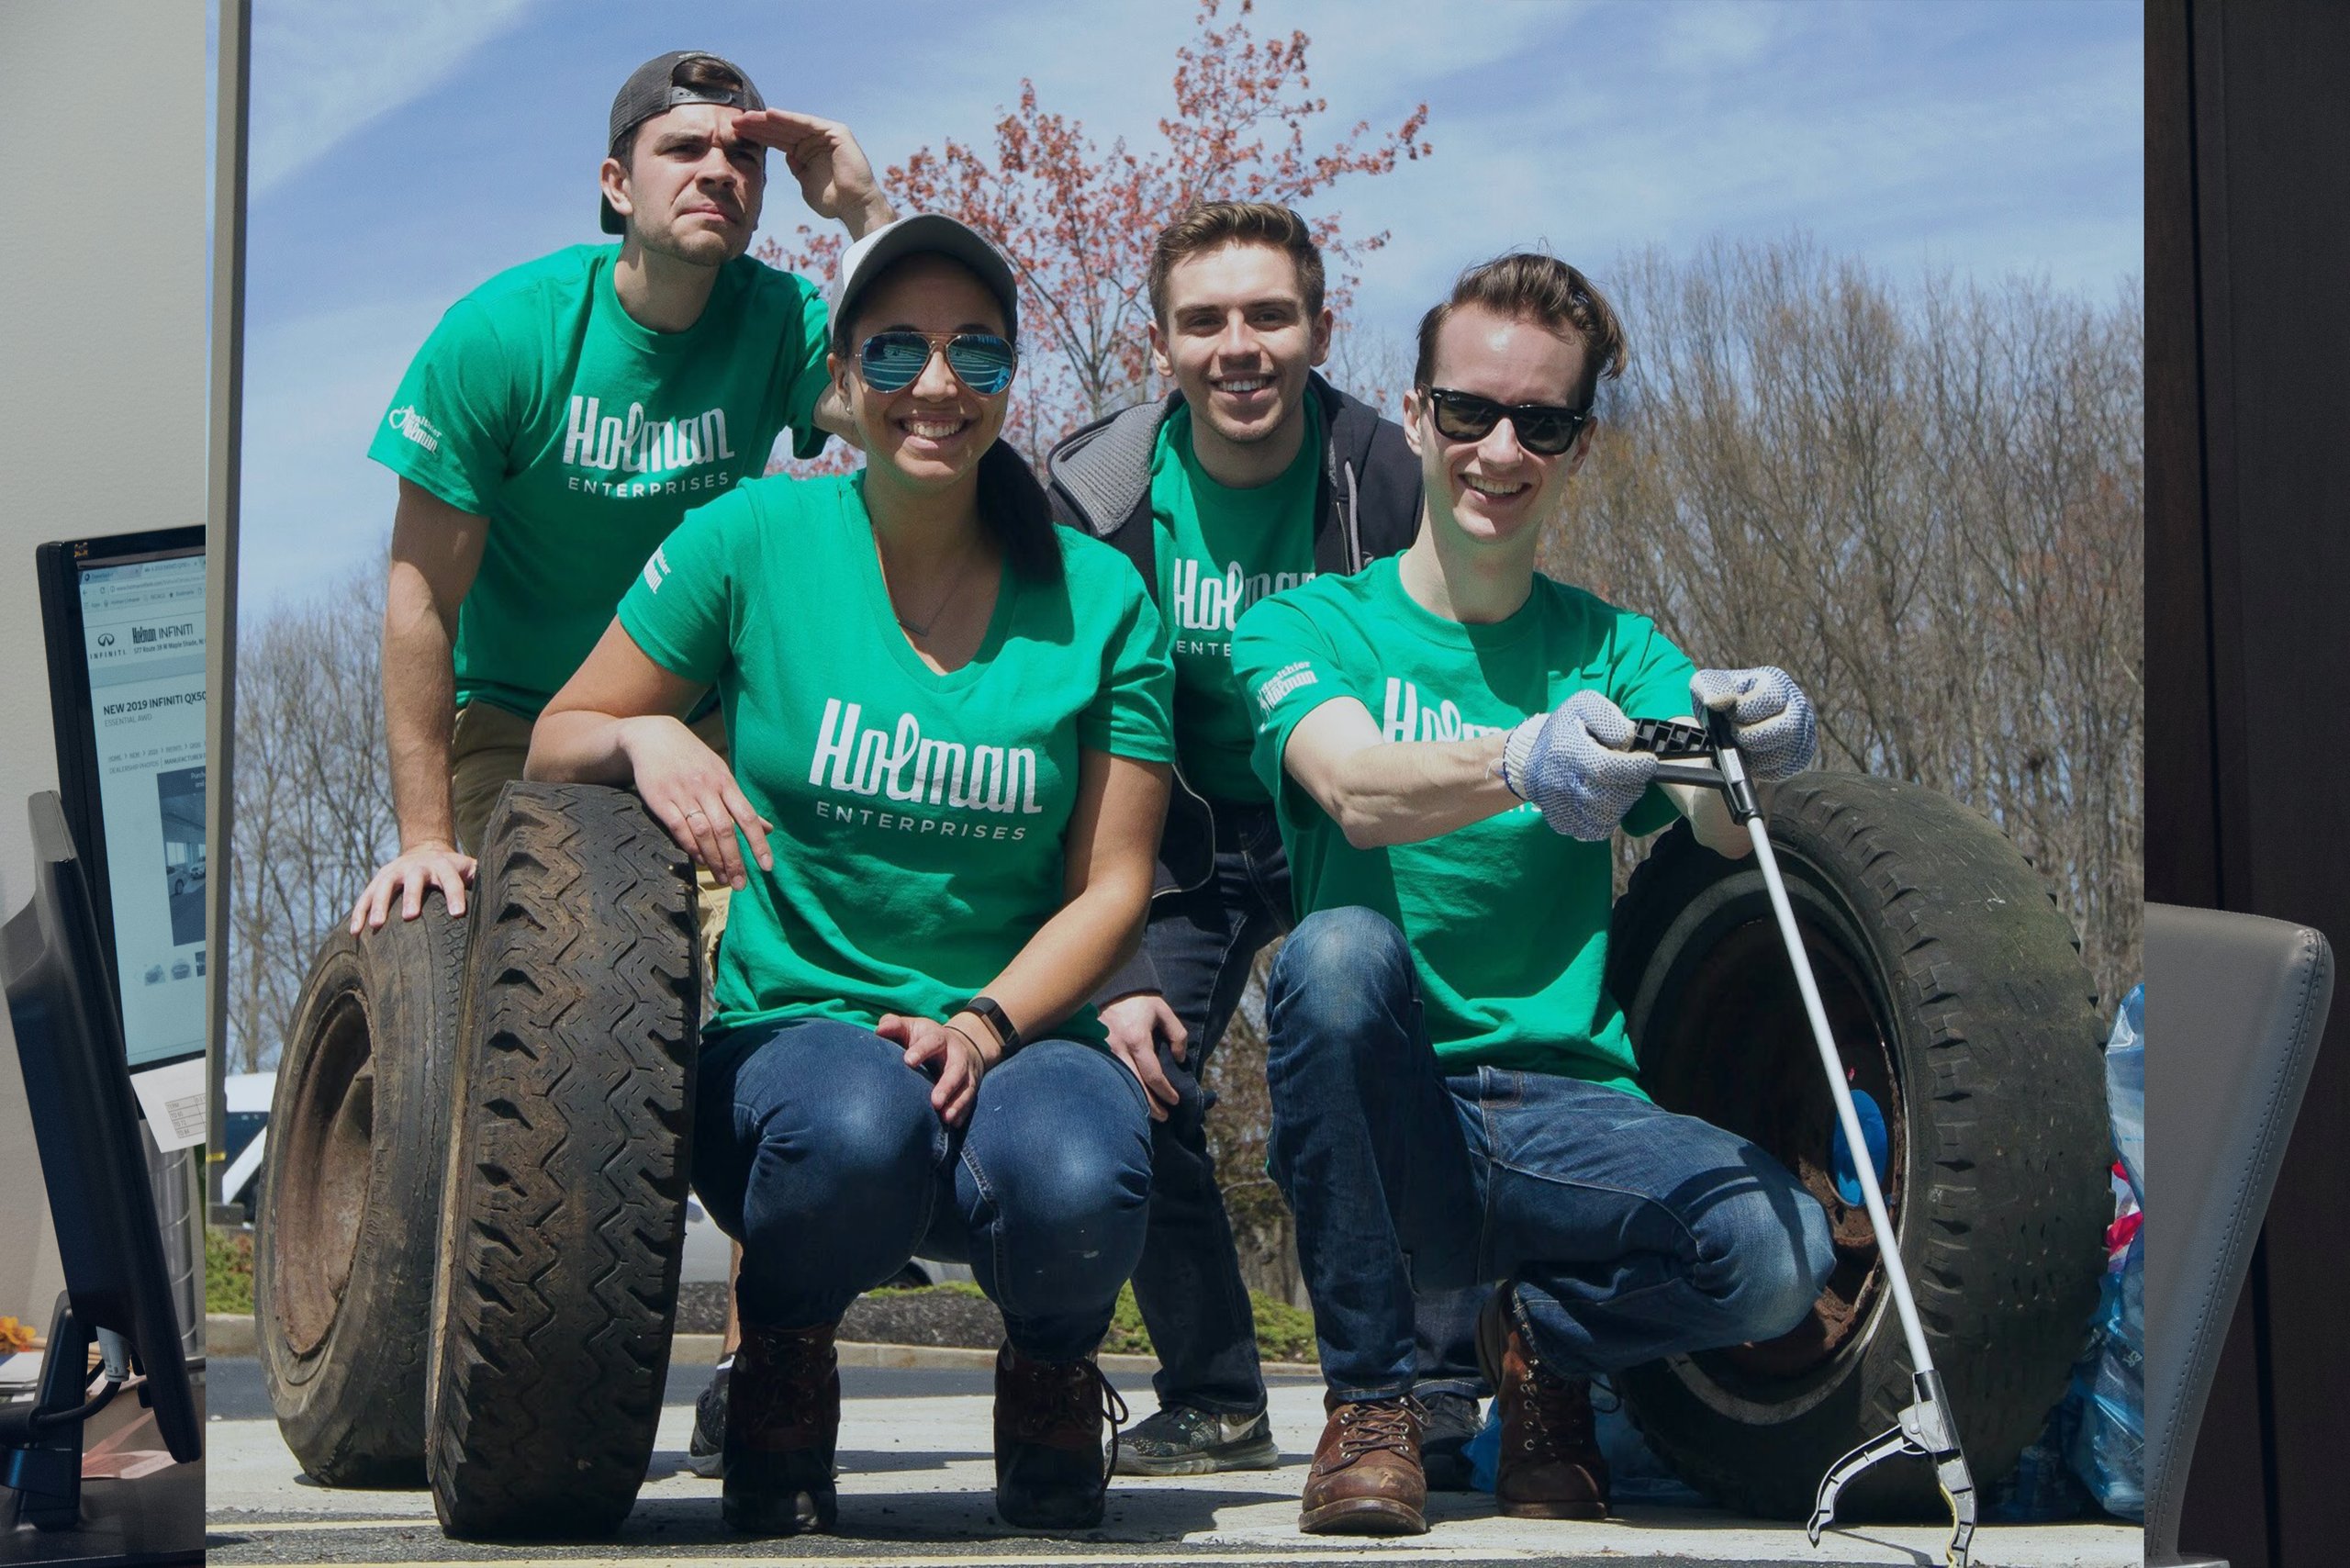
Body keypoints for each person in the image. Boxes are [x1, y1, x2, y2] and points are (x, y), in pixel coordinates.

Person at [527, 214, 1176, 1537]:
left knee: (1080, 1175)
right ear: (842, 376)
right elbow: (553, 740)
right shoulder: (751, 538)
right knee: (855, 1130)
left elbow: (1113, 888)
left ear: (1008, 378)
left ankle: (1051, 1374)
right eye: (897, 350)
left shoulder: (1103, 598)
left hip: (1019, 1030)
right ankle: (781, 1358)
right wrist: (647, 734)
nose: (937, 383)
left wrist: (984, 1025)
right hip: (795, 1036)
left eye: (976, 352)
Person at [1230, 252, 1838, 1537]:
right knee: (1334, 956)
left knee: (1780, 1254)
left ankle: (1543, 1344)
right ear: (1414, 415)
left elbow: (1718, 828)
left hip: (1573, 1114)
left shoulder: (1616, 648)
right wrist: (1519, 759)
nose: (1499, 451)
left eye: (1540, 424)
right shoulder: (1305, 627)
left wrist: (1756, 751)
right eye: (1469, 411)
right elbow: (1354, 790)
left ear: (1578, 447)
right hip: (1394, 1111)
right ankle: (1375, 1406)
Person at [1045, 202, 1491, 1484]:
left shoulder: (1393, 481)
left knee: (1419, 1057)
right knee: (1126, 1071)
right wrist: (1117, 971)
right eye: (1204, 322)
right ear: (1161, 346)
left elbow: (1458, 664)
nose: (1237, 346)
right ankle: (1215, 1394)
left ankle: (1437, 1386)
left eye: (1268, 316)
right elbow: (1060, 730)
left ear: (1319, 330)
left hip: (1342, 812)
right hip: (1169, 832)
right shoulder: (1090, 497)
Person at [349, 50, 894, 935]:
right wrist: (425, 840)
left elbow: (904, 418)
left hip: (703, 716)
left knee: (775, 953)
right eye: (683, 148)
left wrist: (865, 216)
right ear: (617, 185)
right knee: (539, 959)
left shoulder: (780, 321)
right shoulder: (501, 338)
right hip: (517, 726)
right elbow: (421, 601)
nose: (718, 170)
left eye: (744, 156)